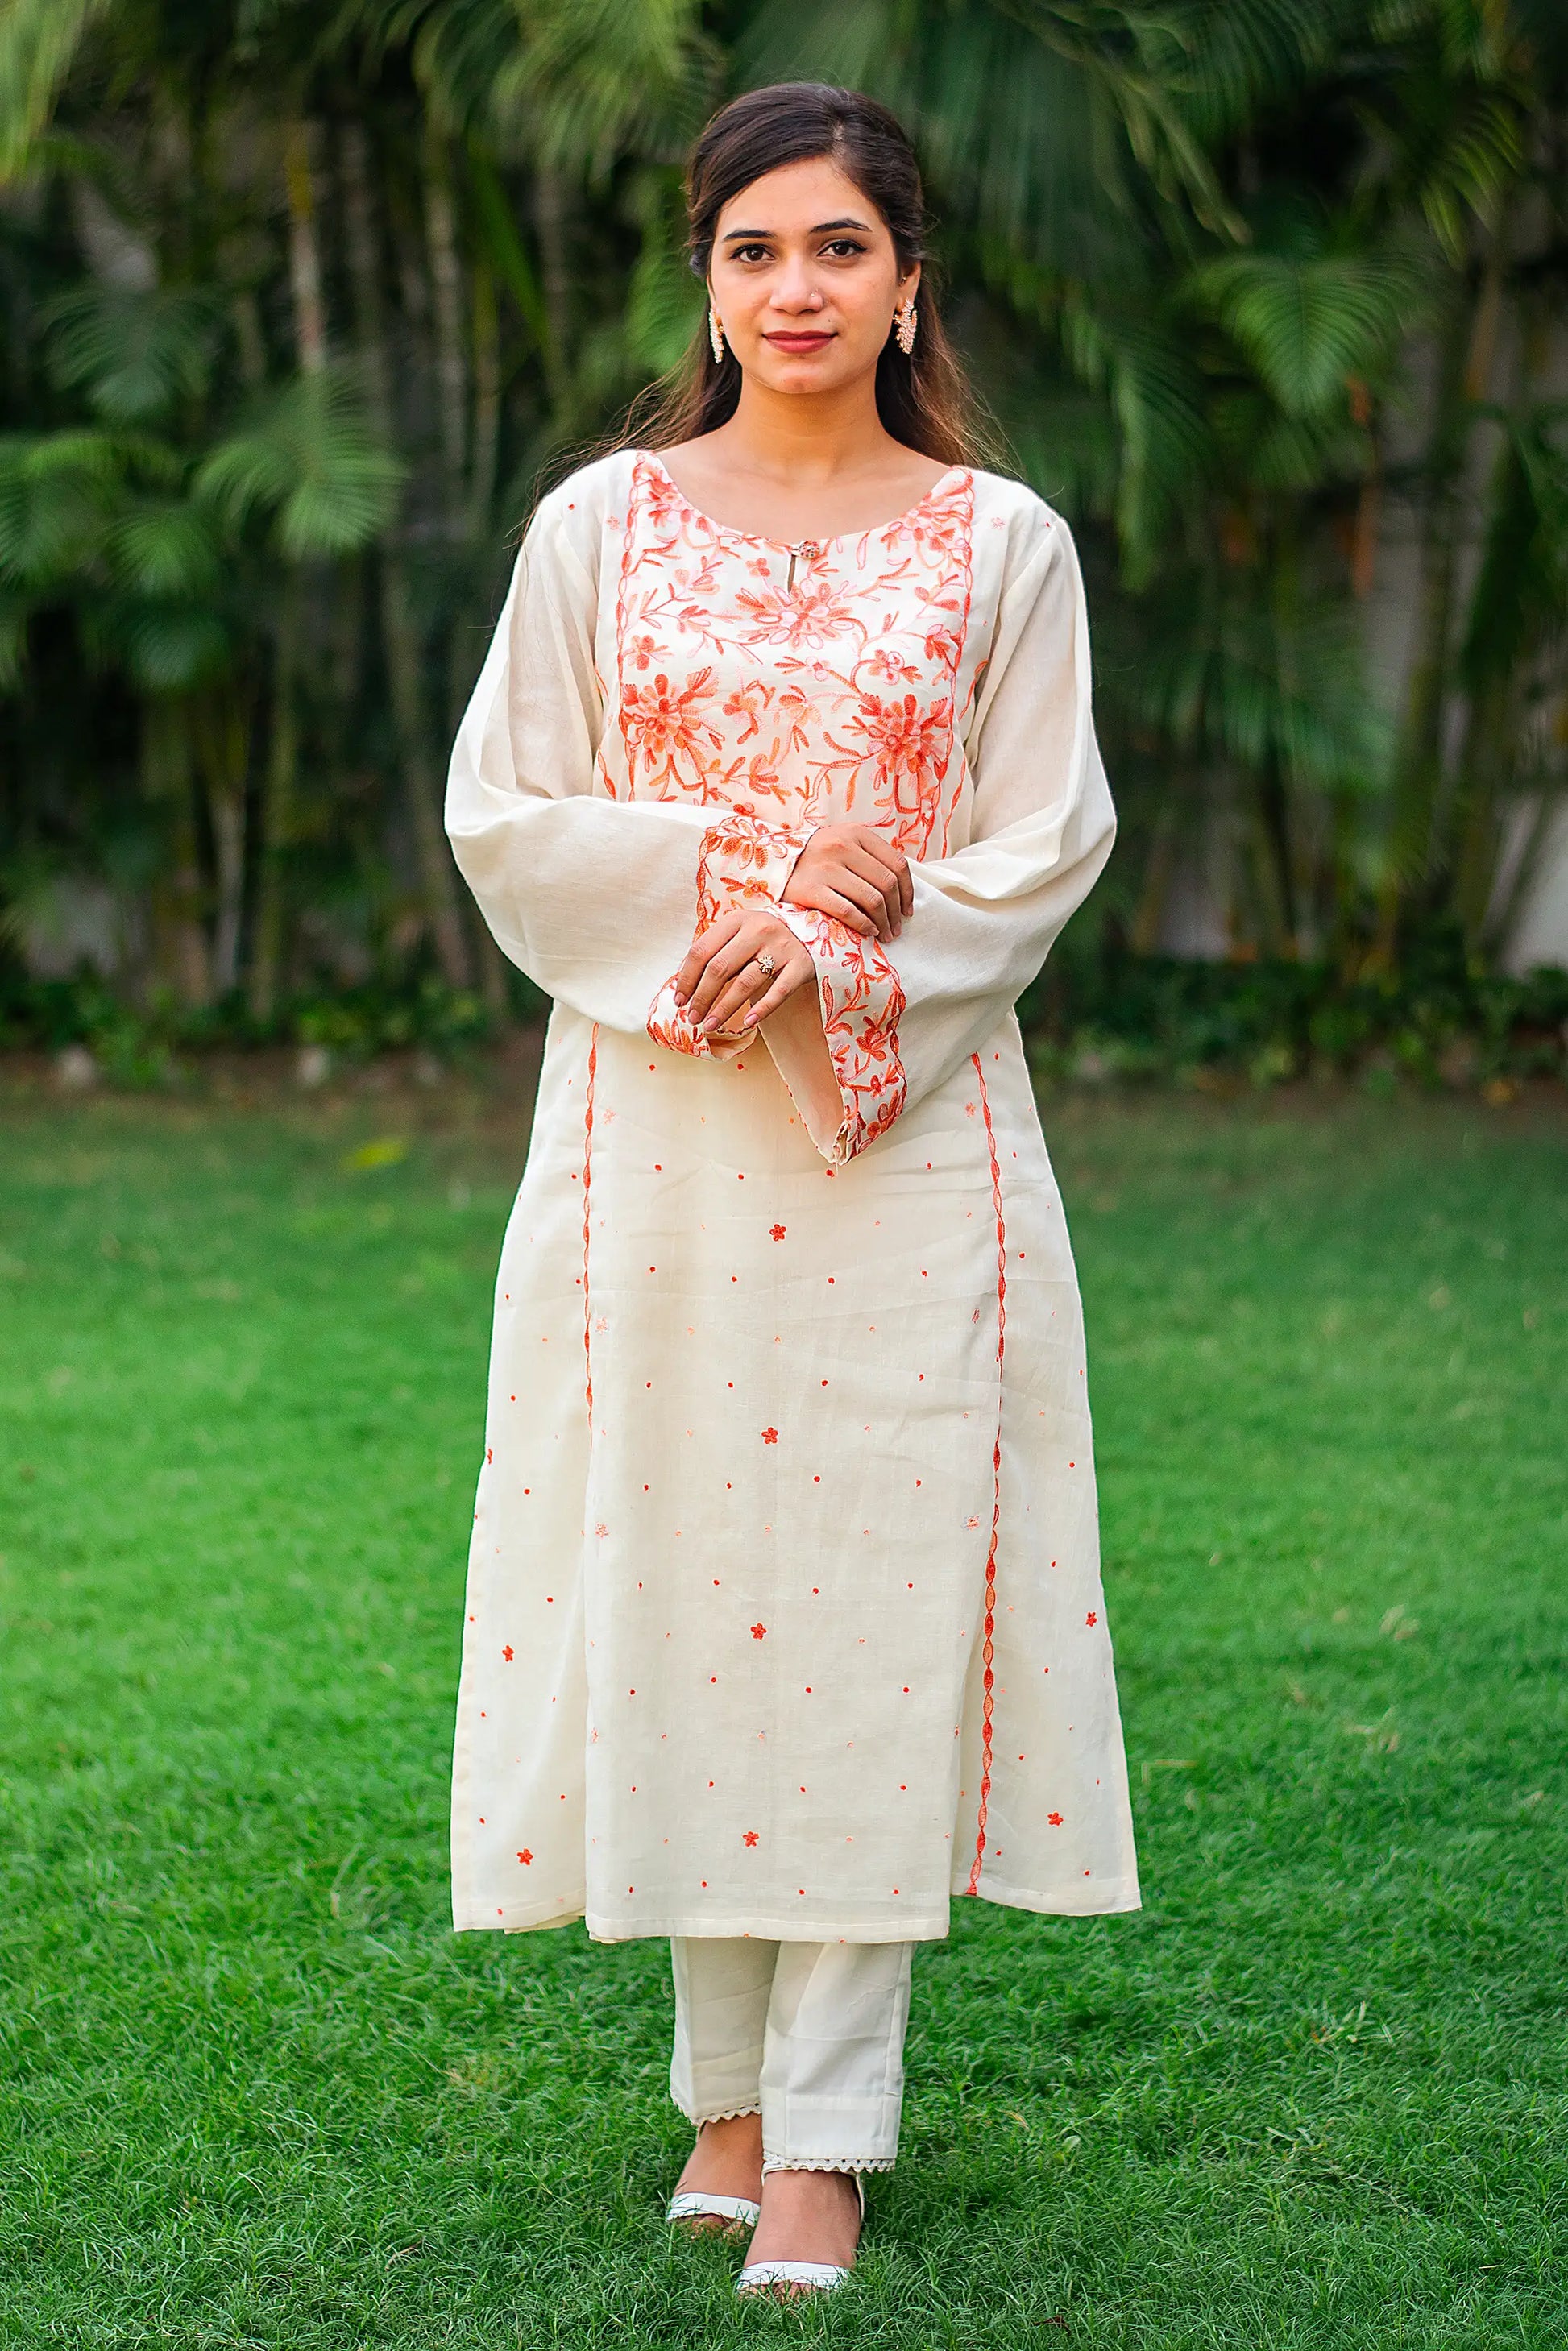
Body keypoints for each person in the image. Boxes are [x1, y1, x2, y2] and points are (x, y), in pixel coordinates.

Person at [444, 80, 1139, 2299]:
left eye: (836, 246)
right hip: (651, 1131)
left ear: (906, 277)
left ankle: (827, 2134)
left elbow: (1038, 846)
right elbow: (509, 811)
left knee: (861, 1615)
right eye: (754, 250)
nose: (795, 287)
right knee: (681, 1594)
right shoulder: (600, 526)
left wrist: (864, 917)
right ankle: (722, 2107)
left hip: (903, 1147)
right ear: (706, 282)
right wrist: (735, 895)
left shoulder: (998, 544)